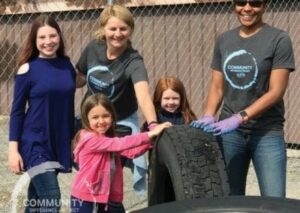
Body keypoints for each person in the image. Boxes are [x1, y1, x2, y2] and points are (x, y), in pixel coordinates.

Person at [191, 0, 295, 198]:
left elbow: (276, 91)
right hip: (230, 134)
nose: (247, 8)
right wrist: (209, 115)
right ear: (233, 5)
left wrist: (240, 117)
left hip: (266, 132)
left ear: (264, 5)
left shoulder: (279, 39)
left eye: (255, 3)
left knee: (275, 201)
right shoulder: (224, 39)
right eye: (241, 2)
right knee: (230, 197)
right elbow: (217, 86)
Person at [75, 4, 157, 192]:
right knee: (90, 171)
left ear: (130, 30)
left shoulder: (133, 61)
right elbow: (78, 78)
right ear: (103, 28)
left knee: (108, 172)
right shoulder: (93, 49)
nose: (117, 34)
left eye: (123, 29)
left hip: (119, 124)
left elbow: (143, 94)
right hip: (91, 121)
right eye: (112, 28)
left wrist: (152, 124)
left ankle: (110, 203)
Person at [8, 15, 75, 212]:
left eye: (52, 36)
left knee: (37, 199)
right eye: (42, 37)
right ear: (34, 40)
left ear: (59, 37)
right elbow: (17, 112)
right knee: (51, 197)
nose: (48, 42)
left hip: (58, 141)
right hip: (35, 143)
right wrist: (13, 151)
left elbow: (69, 102)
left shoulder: (67, 66)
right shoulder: (27, 69)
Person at [70, 93, 171, 213]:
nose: (101, 121)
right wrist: (149, 134)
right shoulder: (89, 139)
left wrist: (152, 142)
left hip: (102, 198)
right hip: (85, 198)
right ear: (86, 119)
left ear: (112, 116)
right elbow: (121, 143)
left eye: (105, 116)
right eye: (95, 117)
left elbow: (130, 151)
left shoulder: (106, 139)